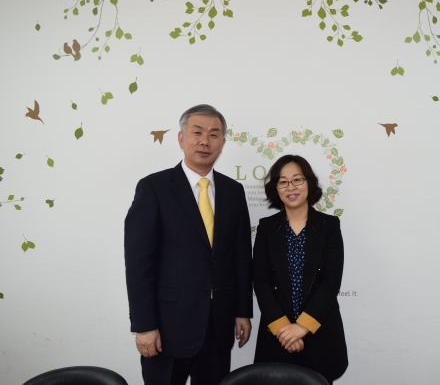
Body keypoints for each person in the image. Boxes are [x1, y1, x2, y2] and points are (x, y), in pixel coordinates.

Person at [124, 104, 253, 385]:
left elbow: (241, 256)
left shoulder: (233, 191)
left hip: (218, 326)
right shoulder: (154, 188)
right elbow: (139, 264)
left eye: (214, 135)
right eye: (197, 133)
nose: (205, 141)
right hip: (168, 327)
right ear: (181, 138)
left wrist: (243, 311)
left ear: (222, 143)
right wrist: (144, 326)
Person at [252, 154, 348, 384]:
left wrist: (302, 327)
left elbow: (331, 281)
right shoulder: (266, 228)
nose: (290, 187)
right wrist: (285, 329)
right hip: (278, 334)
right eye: (283, 182)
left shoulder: (329, 226)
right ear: (276, 188)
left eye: (297, 179)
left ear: (309, 183)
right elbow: (261, 282)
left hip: (320, 332)